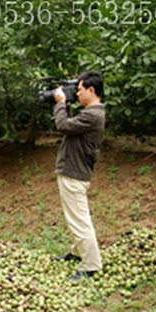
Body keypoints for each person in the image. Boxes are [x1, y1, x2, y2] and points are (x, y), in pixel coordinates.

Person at [53, 71, 106, 281]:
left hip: (75, 173)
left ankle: (91, 265)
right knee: (75, 215)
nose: (77, 94)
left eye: (80, 90)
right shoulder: (92, 113)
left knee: (79, 219)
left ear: (91, 90)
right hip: (76, 170)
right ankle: (77, 252)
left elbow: (63, 125)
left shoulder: (93, 115)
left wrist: (60, 103)